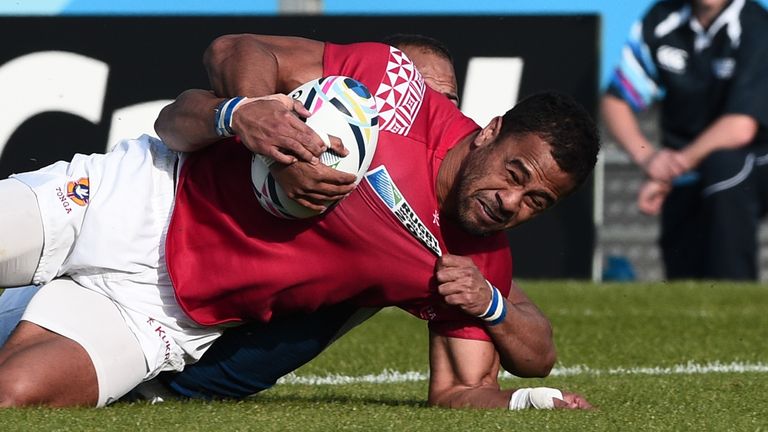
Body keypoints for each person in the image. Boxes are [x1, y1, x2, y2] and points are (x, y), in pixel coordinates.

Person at [0, 33, 599, 409]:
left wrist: (531, 399)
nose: (512, 202)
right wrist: (254, 119)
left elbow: (462, 389)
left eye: (537, 203)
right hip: (140, 195)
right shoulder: (394, 88)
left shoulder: (476, 259)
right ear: (489, 130)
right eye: (516, 175)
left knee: (16, 395)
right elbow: (235, 49)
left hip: (166, 312)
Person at [601, 0, 768, 280]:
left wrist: (671, 168)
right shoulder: (661, 19)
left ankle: (736, 293)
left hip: (753, 157)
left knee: (724, 171)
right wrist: (649, 159)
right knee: (683, 272)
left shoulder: (756, 26)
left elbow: (741, 127)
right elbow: (616, 101)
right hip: (687, 167)